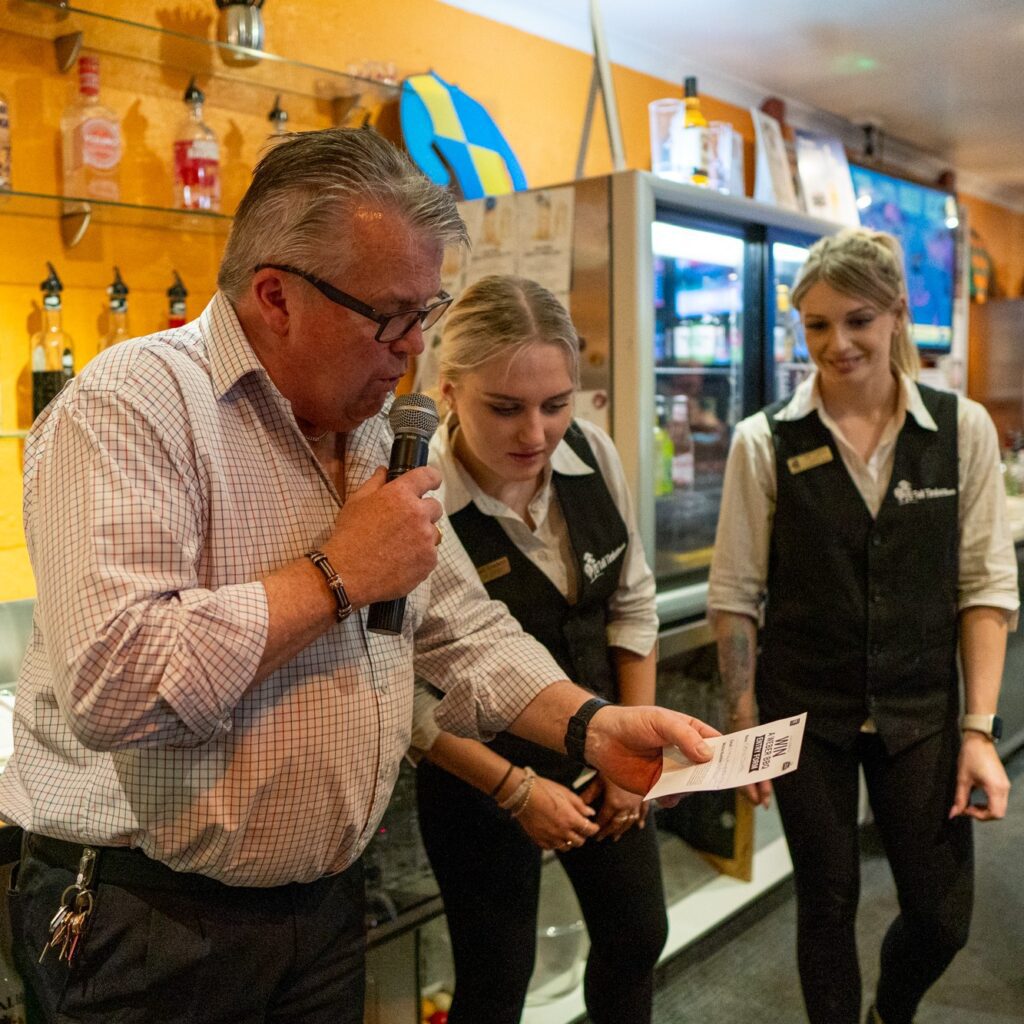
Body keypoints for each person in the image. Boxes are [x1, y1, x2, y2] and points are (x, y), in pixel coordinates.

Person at [0, 127, 719, 1024]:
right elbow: (118, 684)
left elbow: (462, 628)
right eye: (391, 317)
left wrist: (593, 725)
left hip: (324, 906)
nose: (414, 349)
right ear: (276, 297)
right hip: (151, 923)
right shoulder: (130, 405)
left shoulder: (371, 429)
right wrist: (337, 572)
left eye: (428, 310)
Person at [709, 227, 1018, 1024]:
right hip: (804, 710)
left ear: (896, 315)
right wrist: (743, 723)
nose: (836, 343)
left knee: (941, 915)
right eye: (816, 324)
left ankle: (892, 1012)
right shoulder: (764, 440)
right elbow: (735, 592)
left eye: (856, 319)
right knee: (827, 901)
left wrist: (978, 729)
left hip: (919, 709)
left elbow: (985, 584)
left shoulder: (962, 430)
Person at [410, 275, 665, 1024]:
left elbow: (633, 603)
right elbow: (407, 697)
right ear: (449, 391)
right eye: (505, 407)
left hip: (603, 748)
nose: (535, 433)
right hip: (475, 774)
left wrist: (634, 752)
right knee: (496, 978)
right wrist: (515, 790)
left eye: (556, 405)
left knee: (637, 934)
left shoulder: (594, 455)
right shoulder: (417, 496)